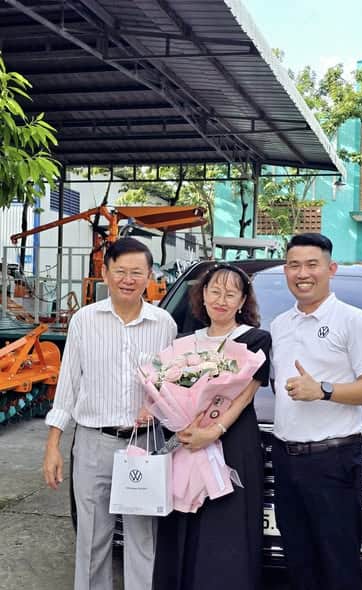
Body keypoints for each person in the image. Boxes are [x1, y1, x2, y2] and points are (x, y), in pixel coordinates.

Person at [43, 237, 177, 590]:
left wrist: (156, 406)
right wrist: (53, 445)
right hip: (93, 444)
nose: (128, 280)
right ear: (105, 273)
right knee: (91, 539)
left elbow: (170, 383)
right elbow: (68, 385)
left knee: (142, 538)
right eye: (120, 271)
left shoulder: (164, 324)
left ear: (149, 275)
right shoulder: (84, 321)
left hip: (143, 445)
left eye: (137, 272)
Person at [270, 233, 362, 590]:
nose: (302, 273)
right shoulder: (279, 325)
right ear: (285, 271)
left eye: (312, 264)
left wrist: (323, 390)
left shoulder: (353, 320)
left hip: (332, 461)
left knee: (338, 566)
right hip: (284, 458)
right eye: (293, 265)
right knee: (298, 563)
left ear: (330, 269)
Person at [153, 263, 271, 590]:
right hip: (187, 438)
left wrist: (213, 432)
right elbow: (166, 388)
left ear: (242, 300)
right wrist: (178, 421)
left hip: (232, 440)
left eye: (230, 294)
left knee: (226, 524)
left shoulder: (255, 340)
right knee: (185, 518)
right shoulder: (184, 344)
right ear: (203, 295)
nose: (221, 300)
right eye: (215, 291)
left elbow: (244, 396)